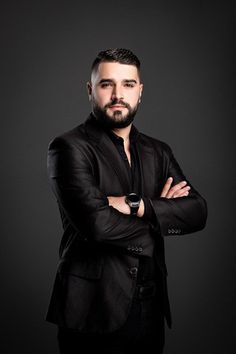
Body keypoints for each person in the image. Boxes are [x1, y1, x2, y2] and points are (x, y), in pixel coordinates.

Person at [46, 48, 207, 354]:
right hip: (91, 311)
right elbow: (96, 224)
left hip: (150, 309)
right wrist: (162, 214)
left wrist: (137, 205)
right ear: (91, 90)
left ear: (140, 91)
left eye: (128, 84)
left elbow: (198, 212)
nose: (118, 94)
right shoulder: (68, 147)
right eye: (107, 84)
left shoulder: (159, 152)